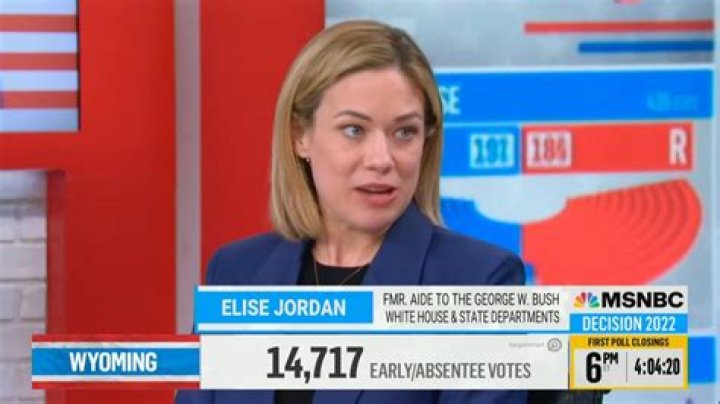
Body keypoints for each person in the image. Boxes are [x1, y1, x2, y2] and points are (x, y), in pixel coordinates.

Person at [176, 20, 526, 404]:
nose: (381, 159)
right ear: (300, 136)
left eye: (404, 132)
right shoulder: (236, 272)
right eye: (354, 130)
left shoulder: (479, 282)